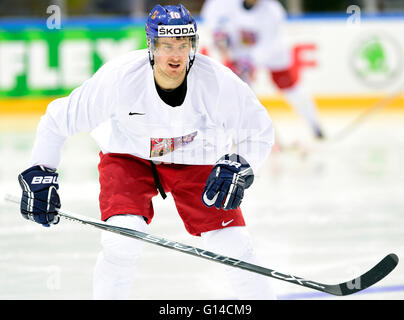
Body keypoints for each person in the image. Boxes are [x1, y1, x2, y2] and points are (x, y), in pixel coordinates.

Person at [17, 4, 276, 299]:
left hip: (197, 158)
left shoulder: (218, 81)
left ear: (193, 45)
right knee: (121, 239)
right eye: (166, 45)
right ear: (151, 46)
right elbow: (56, 120)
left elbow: (259, 132)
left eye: (183, 43)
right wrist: (41, 170)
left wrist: (239, 163)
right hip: (128, 156)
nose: (175, 55)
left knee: (234, 244)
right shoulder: (120, 77)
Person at [201, 0, 325, 140]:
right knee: (240, 93)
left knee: (291, 88)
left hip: (274, 55)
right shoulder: (220, 4)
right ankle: (263, 135)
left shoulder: (272, 10)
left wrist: (251, 61)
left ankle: (315, 125)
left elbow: (271, 44)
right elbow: (214, 25)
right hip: (238, 54)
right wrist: (219, 38)